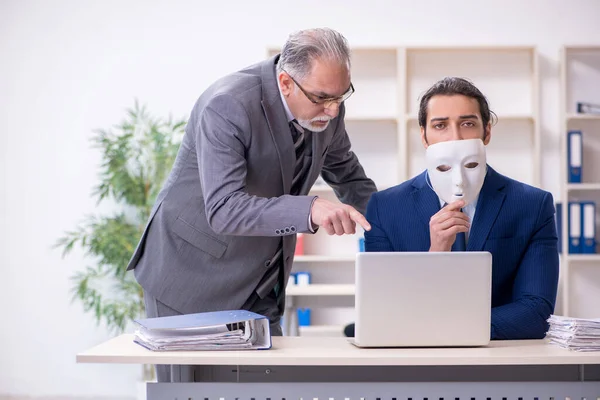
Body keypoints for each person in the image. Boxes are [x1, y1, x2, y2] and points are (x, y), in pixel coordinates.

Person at [126, 27, 377, 381]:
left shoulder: (328, 108)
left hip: (262, 281)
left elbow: (350, 178)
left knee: (267, 386)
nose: (333, 111)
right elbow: (225, 207)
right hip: (189, 275)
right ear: (286, 83)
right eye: (322, 98)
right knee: (190, 391)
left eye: (342, 96)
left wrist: (399, 222)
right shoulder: (227, 104)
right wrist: (309, 209)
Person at [344, 77, 559, 340]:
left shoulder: (532, 205)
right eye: (440, 125)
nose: (455, 137)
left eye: (467, 124)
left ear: (487, 132)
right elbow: (383, 307)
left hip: (499, 359)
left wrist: (445, 327)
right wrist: (436, 255)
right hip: (414, 363)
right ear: (424, 136)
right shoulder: (385, 208)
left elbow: (536, 313)